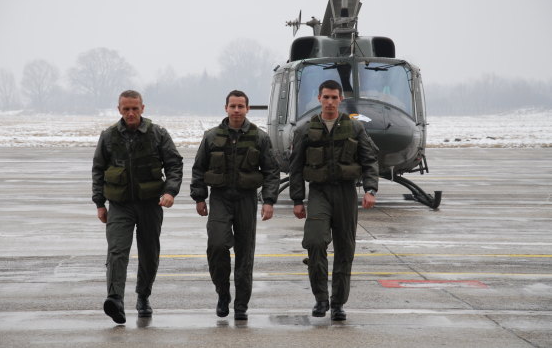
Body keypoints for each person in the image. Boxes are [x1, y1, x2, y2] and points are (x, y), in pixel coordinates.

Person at [289, 80, 379, 321]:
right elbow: (295, 168)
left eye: (334, 97)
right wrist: (297, 199)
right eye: (326, 97)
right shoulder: (305, 130)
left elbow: (370, 160)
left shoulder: (356, 128)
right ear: (319, 99)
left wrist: (370, 190)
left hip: (347, 192)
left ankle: (338, 303)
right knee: (315, 241)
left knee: (345, 248)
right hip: (319, 192)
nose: (330, 101)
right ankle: (321, 299)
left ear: (341, 100)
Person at [92, 90, 183, 324]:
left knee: (149, 253)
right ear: (119, 110)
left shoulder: (157, 134)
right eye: (126, 109)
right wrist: (100, 203)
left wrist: (170, 192)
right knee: (116, 251)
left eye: (135, 108)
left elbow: (174, 164)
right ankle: (115, 300)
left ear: (143, 108)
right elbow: (98, 170)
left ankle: (143, 296)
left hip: (150, 204)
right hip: (120, 205)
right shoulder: (109, 136)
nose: (131, 113)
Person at [190, 90, 280, 321]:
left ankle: (241, 305)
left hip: (246, 199)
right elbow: (199, 169)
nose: (237, 110)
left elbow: (271, 171)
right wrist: (199, 197)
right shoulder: (211, 137)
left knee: (245, 253)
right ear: (226, 108)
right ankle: (223, 294)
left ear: (248, 109)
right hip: (219, 198)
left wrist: (268, 200)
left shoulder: (259, 137)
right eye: (233, 106)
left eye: (241, 106)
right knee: (217, 246)